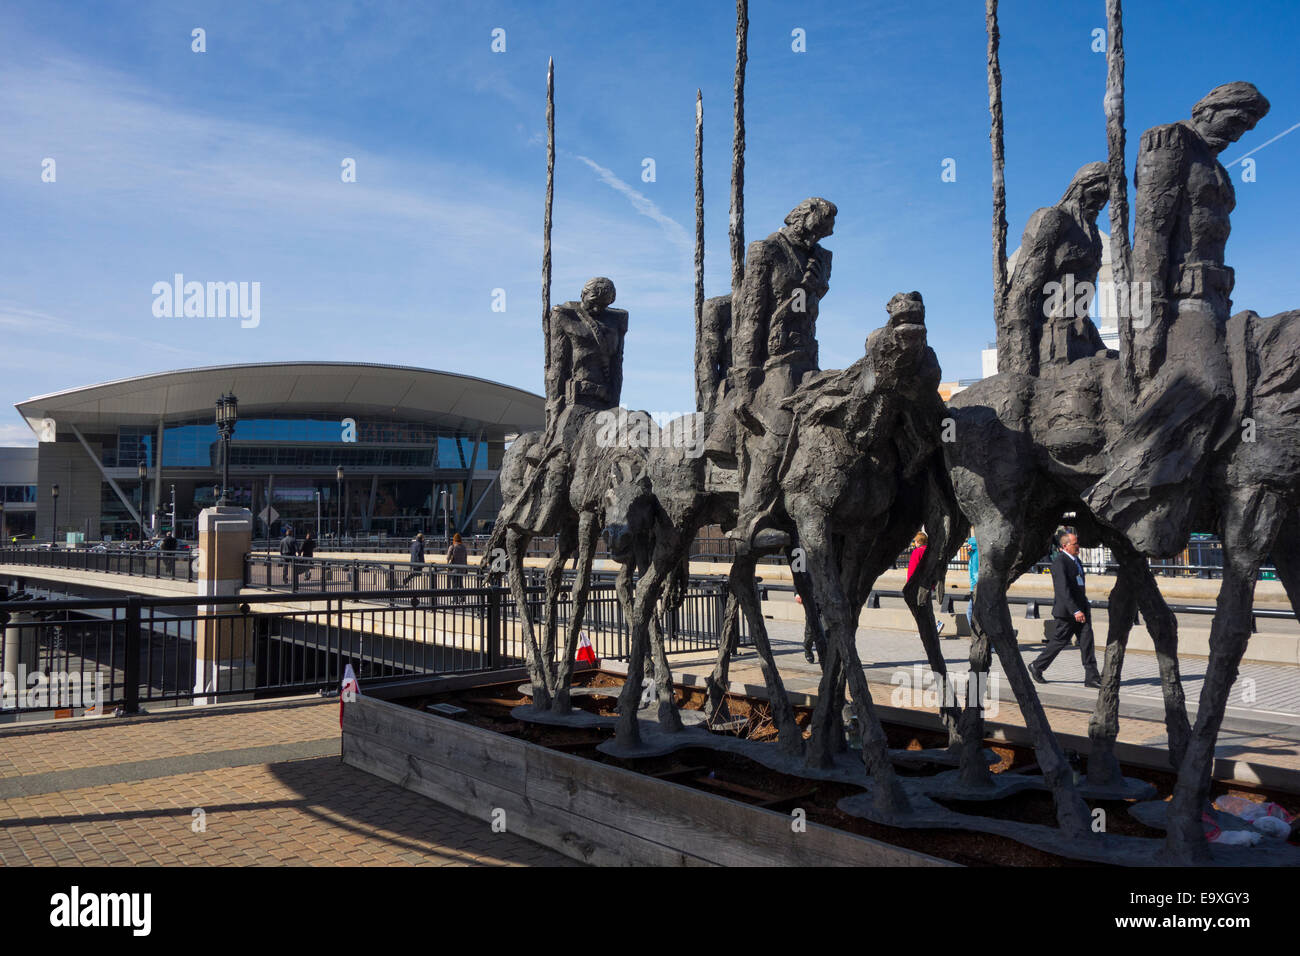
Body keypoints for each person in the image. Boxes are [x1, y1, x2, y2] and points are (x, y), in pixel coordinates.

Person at [1084, 82, 1270, 556]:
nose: (1241, 133)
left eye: (1249, 128)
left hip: (1218, 297)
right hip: (1181, 301)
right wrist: (1145, 325)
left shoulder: (1217, 166)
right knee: (1209, 387)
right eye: (1237, 120)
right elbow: (1149, 237)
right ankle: (1122, 492)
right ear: (1209, 108)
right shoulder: (1169, 141)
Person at [999, 162, 1110, 375]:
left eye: (1106, 199)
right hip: (1049, 344)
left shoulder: (1094, 238)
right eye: (1096, 195)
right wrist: (1021, 365)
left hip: (1083, 338)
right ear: (1079, 188)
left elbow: (1080, 305)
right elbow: (1022, 292)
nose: (1100, 205)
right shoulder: (1052, 219)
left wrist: (1098, 345)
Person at [1029, 530, 1101, 688]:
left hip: (1082, 610)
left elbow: (1079, 585)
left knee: (1087, 642)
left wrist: (1083, 607)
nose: (1078, 547)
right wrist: (1075, 610)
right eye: (1075, 544)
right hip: (1068, 612)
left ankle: (1092, 677)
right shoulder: (1060, 562)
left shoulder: (1076, 560)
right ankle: (1037, 666)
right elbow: (1063, 590)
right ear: (1065, 546)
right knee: (1059, 642)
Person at [446, 532, 468, 600]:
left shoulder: (452, 547)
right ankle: (462, 597)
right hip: (462, 568)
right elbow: (465, 558)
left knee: (455, 584)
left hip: (454, 568)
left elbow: (448, 557)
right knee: (460, 583)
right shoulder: (464, 547)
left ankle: (455, 598)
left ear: (454, 539)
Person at [966, 535, 978, 632]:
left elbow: (976, 574)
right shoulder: (973, 555)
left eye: (970, 545)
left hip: (977, 588)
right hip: (975, 587)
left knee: (970, 612)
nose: (968, 547)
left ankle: (978, 635)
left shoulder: (976, 556)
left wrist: (973, 587)